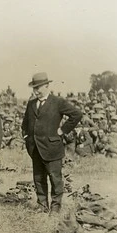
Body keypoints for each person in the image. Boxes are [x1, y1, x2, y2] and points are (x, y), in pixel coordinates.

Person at [21, 73, 82, 213]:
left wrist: (62, 130)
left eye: (39, 87)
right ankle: (42, 205)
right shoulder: (31, 104)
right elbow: (25, 123)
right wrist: (26, 137)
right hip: (35, 148)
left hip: (52, 148)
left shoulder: (57, 102)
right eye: (34, 88)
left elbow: (77, 114)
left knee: (55, 178)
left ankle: (55, 207)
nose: (36, 91)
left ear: (47, 86)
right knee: (38, 178)